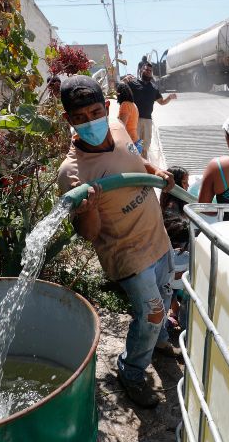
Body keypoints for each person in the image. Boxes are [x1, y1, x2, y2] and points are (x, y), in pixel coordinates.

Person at [56, 75, 177, 408]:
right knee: (151, 314)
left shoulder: (119, 126)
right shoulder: (73, 174)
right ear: (69, 120)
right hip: (127, 254)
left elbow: (137, 161)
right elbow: (89, 234)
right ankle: (132, 371)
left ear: (105, 107)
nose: (89, 123)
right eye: (79, 119)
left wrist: (156, 171)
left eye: (94, 112)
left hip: (157, 236)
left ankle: (160, 341)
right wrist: (89, 210)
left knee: (165, 298)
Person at [159, 166, 190, 338]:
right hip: (179, 268)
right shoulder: (176, 211)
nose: (187, 186)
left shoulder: (165, 205)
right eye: (185, 182)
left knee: (168, 288)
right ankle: (183, 325)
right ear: (176, 184)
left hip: (171, 272)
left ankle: (172, 317)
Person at [126, 62, 177, 159]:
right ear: (141, 70)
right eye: (146, 70)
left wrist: (169, 97)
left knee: (145, 146)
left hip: (148, 121)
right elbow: (120, 89)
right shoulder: (133, 83)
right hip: (134, 119)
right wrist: (124, 80)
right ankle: (133, 164)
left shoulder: (154, 88)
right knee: (134, 144)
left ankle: (144, 166)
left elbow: (161, 102)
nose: (148, 72)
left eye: (150, 71)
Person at [116, 82, 140, 150]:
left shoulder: (125, 105)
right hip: (137, 141)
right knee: (136, 160)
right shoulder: (133, 105)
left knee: (129, 160)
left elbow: (122, 126)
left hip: (130, 142)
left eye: (117, 93)